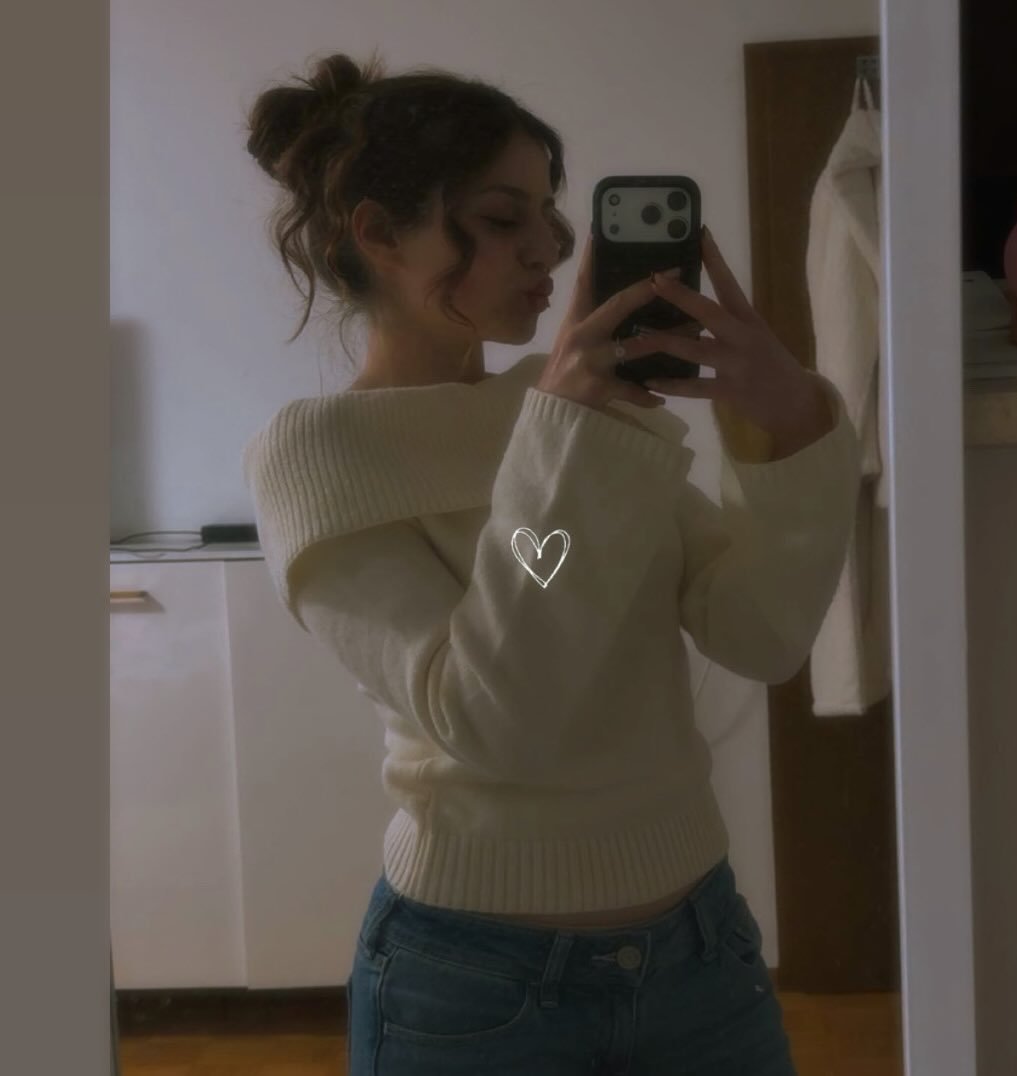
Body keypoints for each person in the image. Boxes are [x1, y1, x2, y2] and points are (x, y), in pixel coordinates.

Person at [242, 49, 859, 1076]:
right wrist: (565, 443)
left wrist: (792, 428)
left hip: (700, 949)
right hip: (473, 983)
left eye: (549, 212)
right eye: (501, 218)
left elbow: (759, 632)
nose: (551, 247)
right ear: (378, 233)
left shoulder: (568, 411)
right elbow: (494, 713)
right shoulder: (319, 452)